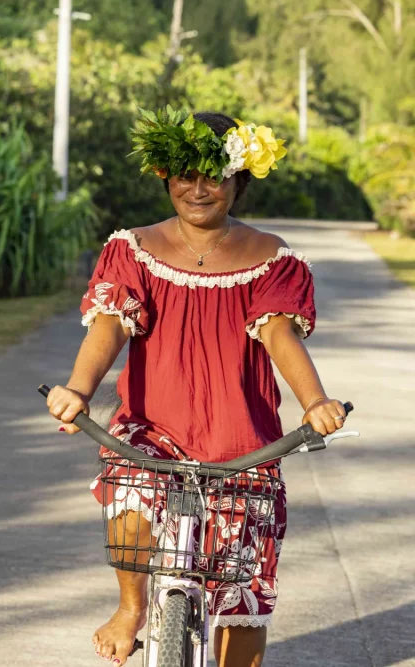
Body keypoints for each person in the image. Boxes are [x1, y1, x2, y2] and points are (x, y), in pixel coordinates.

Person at [45, 109, 348, 667]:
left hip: (242, 439)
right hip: (154, 425)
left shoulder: (271, 258)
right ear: (165, 175)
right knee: (132, 487)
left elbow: (280, 335)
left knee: (243, 599)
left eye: (214, 174)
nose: (197, 188)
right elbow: (110, 323)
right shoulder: (132, 247)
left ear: (240, 179)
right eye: (183, 173)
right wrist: (79, 389)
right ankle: (131, 606)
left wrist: (315, 402)